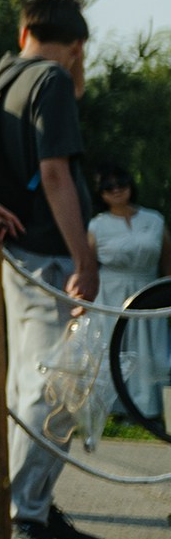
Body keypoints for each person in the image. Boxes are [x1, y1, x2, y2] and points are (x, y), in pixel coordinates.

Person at [0, 0, 108, 539]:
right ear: (76, 45)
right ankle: (22, 517)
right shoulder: (52, 82)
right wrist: (86, 257)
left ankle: (36, 502)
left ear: (24, 32)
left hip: (15, 250)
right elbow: (56, 174)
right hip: (48, 252)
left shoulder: (1, 76)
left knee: (31, 381)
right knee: (52, 385)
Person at [89, 163, 169, 423]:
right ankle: (113, 409)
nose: (115, 190)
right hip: (110, 291)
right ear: (100, 193)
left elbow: (167, 261)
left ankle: (149, 409)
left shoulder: (154, 219)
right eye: (108, 187)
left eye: (120, 184)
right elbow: (89, 265)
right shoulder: (96, 225)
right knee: (113, 348)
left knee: (150, 349)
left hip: (147, 288)